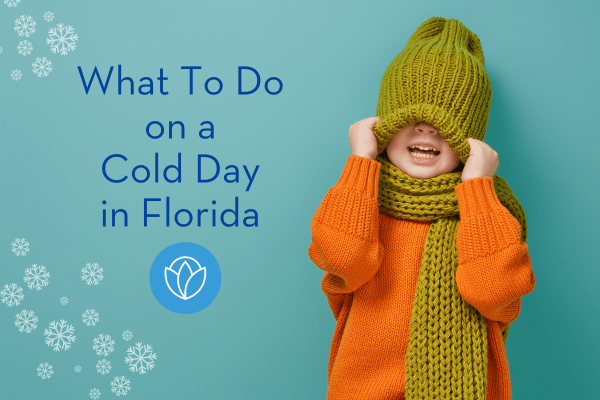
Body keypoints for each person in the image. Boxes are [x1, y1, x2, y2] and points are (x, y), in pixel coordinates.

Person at [308, 17, 536, 400]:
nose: (427, 130)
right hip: (360, 388)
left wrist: (478, 189)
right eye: (410, 117)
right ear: (383, 124)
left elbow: (496, 294)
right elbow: (345, 260)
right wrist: (362, 159)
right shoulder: (361, 196)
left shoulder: (489, 209)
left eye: (445, 122)